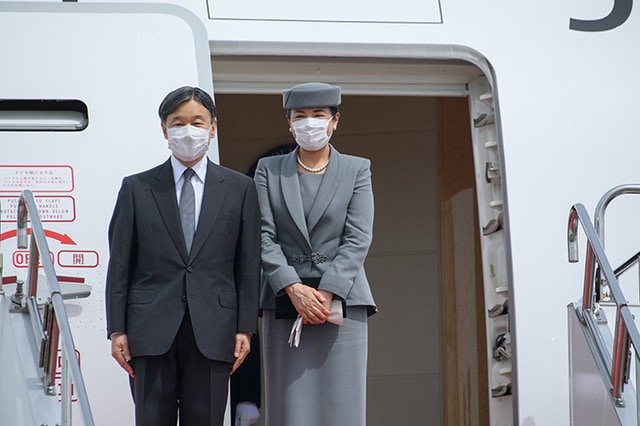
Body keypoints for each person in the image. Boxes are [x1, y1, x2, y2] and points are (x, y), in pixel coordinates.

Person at [105, 86, 261, 426]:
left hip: (215, 330)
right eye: (178, 122)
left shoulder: (239, 189)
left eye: (197, 121)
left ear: (213, 127)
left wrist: (245, 329)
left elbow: (248, 265)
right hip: (149, 331)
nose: (188, 130)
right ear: (164, 129)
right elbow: (119, 265)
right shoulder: (137, 188)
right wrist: (117, 329)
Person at [254, 82, 377, 426]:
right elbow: (263, 235)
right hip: (284, 303)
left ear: (335, 120)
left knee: (343, 404)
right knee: (288, 405)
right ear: (289, 124)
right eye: (301, 116)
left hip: (343, 304)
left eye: (318, 115)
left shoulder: (357, 169)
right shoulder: (268, 170)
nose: (310, 123)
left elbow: (358, 237)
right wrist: (292, 287)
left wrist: (327, 291)